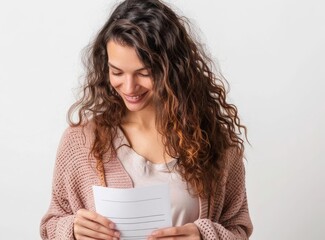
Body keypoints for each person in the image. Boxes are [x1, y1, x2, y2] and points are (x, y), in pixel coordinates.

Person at [40, 0, 253, 239]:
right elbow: (51, 224)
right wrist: (73, 230)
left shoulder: (214, 142)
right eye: (117, 72)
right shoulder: (80, 142)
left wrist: (204, 235)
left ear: (172, 69)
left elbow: (239, 228)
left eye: (144, 73)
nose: (129, 87)